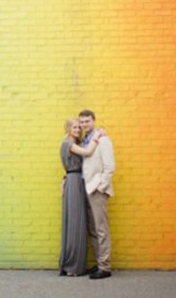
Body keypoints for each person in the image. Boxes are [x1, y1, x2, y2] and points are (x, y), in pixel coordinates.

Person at [58, 118, 104, 277]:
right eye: (75, 127)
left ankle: (76, 265)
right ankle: (72, 266)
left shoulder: (74, 143)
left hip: (76, 181)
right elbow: (88, 152)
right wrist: (98, 136)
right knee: (75, 223)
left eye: (79, 127)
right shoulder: (68, 144)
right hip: (74, 181)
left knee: (78, 223)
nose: (78, 129)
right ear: (68, 129)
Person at [79, 109, 115, 280]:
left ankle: (105, 267)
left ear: (93, 121)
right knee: (93, 228)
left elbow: (110, 167)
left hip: (97, 190)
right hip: (87, 188)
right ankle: (100, 262)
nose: (84, 124)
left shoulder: (103, 140)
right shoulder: (86, 140)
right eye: (82, 122)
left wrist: (101, 187)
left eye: (87, 121)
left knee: (101, 229)